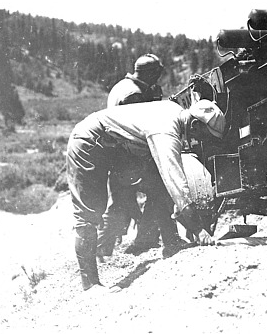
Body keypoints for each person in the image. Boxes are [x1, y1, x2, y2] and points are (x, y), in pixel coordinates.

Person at [66, 99, 226, 291]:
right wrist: (199, 230)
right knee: (89, 212)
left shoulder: (176, 113)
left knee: (156, 182)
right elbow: (176, 183)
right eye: (203, 135)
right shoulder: (166, 131)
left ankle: (171, 242)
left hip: (115, 145)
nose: (201, 141)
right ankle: (90, 284)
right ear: (194, 124)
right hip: (90, 142)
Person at [97, 54, 183, 259]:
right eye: (158, 75)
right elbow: (142, 126)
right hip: (131, 155)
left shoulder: (122, 86)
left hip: (117, 156)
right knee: (161, 190)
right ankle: (166, 241)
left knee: (120, 203)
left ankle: (105, 247)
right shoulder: (134, 95)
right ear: (152, 74)